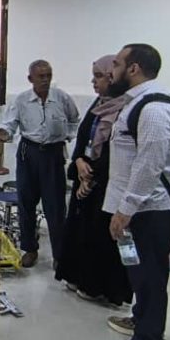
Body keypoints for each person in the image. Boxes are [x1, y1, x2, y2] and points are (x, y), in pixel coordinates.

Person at [103, 43, 170, 340]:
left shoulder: (153, 109)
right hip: (137, 208)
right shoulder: (138, 102)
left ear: (133, 68)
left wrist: (126, 210)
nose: (112, 71)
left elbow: (150, 165)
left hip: (149, 210)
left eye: (117, 64)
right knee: (137, 270)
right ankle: (140, 318)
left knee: (149, 275)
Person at [55, 56, 132, 306]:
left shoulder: (127, 109)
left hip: (107, 186)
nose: (93, 81)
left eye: (99, 76)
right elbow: (83, 138)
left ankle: (98, 287)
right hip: (84, 178)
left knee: (102, 237)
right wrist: (78, 162)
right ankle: (76, 276)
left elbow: (120, 153)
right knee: (79, 231)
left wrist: (92, 177)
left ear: (113, 77)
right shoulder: (99, 104)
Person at [0, 60, 80, 268]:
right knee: (26, 203)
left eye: (48, 75)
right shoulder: (22, 100)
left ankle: (59, 255)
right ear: (30, 78)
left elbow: (75, 119)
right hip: (29, 153)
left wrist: (68, 135)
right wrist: (5, 133)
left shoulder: (61, 98)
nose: (45, 80)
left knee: (55, 206)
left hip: (53, 154)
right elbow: (9, 124)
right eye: (41, 76)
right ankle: (29, 249)